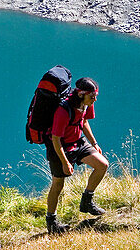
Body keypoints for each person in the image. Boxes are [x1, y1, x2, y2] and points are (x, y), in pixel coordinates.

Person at [45, 78, 109, 234]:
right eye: (92, 96)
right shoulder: (63, 110)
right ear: (81, 94)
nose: (95, 99)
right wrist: (65, 162)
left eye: (95, 95)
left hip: (78, 142)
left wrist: (94, 143)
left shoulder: (86, 104)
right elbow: (55, 139)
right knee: (58, 185)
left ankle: (87, 201)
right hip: (59, 148)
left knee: (102, 165)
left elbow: (84, 121)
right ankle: (51, 222)